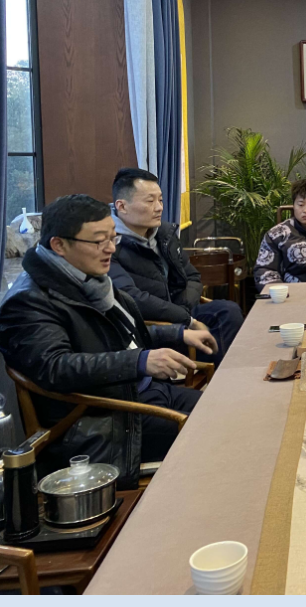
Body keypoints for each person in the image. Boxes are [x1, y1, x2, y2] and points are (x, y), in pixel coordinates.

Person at [0, 195, 218, 488]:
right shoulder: (28, 301)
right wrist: (139, 361)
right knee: (216, 432)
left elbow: (117, 337)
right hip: (102, 419)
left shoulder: (87, 280)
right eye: (98, 241)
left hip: (136, 393)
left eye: (113, 238)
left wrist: (178, 333)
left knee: (227, 410)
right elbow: (55, 367)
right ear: (59, 245)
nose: (111, 249)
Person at [109, 168, 243, 365]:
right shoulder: (109, 244)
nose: (159, 208)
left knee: (227, 311)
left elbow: (193, 277)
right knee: (218, 335)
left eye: (161, 200)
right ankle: (217, 372)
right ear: (122, 206)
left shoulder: (164, 234)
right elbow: (133, 298)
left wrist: (183, 310)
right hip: (150, 324)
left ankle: (220, 371)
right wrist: (186, 319)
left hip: (180, 311)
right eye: (150, 201)